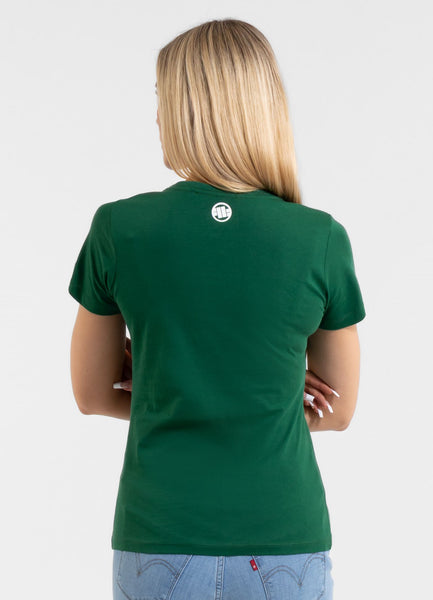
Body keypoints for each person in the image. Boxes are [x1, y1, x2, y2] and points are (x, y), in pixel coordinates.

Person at [68, 18, 366, 600]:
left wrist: (170, 382)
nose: (157, 118)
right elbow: (338, 410)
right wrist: (257, 393)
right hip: (284, 536)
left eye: (162, 100)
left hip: (160, 536)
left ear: (189, 111)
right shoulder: (319, 238)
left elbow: (91, 393)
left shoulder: (119, 229)